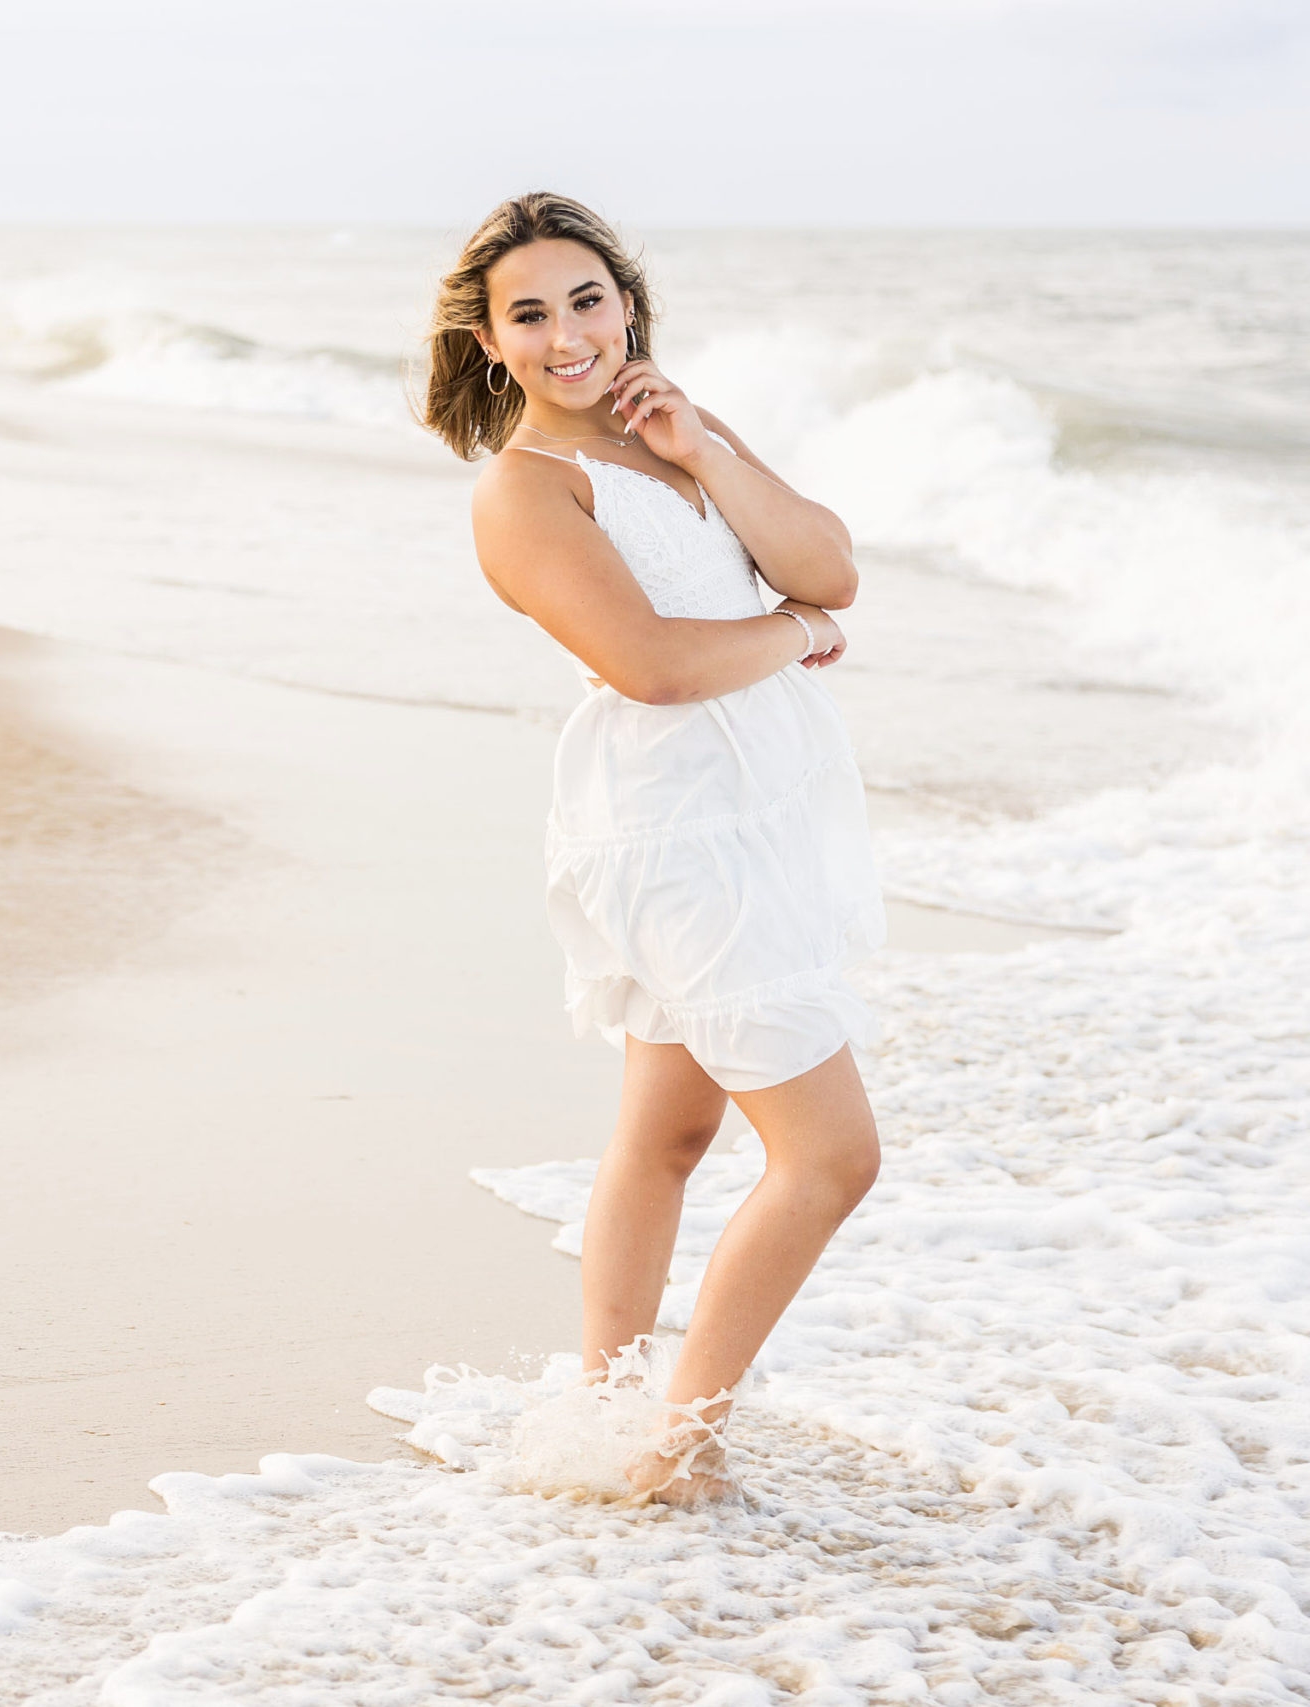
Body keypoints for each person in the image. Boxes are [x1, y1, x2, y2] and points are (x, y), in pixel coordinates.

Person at [421, 192, 887, 1507]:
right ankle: (678, 1445)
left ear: (626, 300)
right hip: (678, 827)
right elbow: (656, 664)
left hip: (764, 811)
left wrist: (709, 451)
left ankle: (607, 1416)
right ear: (490, 339)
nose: (569, 333)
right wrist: (793, 639)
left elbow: (831, 564)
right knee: (832, 1157)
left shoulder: (672, 434)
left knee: (666, 1138)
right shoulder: (525, 491)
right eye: (532, 314)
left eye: (587, 299)